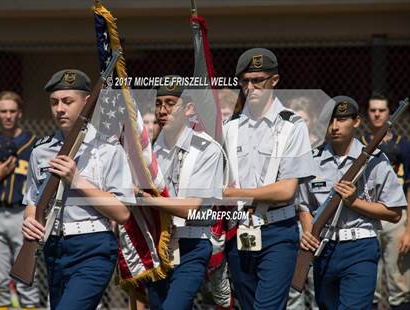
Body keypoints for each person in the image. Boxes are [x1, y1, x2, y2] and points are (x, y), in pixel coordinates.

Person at [21, 69, 135, 309]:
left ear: (86, 103)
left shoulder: (108, 149)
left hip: (92, 247)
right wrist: (30, 220)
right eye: (54, 102)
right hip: (54, 247)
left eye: (67, 101)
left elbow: (122, 212)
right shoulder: (41, 151)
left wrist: (77, 181)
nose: (59, 108)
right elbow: (32, 200)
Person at [222, 48, 315, 309]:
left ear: (274, 80)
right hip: (239, 231)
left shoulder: (292, 126)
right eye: (245, 81)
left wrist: (233, 194)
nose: (251, 87)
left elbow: (287, 190)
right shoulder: (230, 128)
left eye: (258, 80)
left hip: (277, 231)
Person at [299, 96, 406, 309]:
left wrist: (354, 202)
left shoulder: (376, 160)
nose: (334, 126)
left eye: (341, 119)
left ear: (356, 122)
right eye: (330, 121)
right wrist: (308, 231)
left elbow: (394, 212)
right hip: (324, 248)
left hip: (360, 247)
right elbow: (303, 205)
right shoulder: (312, 160)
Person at [140, 78, 224, 309]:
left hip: (192, 243)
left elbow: (191, 208)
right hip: (159, 245)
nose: (162, 110)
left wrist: (147, 201)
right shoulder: (153, 150)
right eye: (158, 103)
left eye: (170, 103)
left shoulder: (206, 148)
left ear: (188, 109)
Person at [0, 91, 40, 310]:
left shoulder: (34, 144)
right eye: (3, 111)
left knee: (26, 277)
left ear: (19, 113)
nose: (8, 116)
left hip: (23, 215)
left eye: (12, 111)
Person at [361, 92, 410, 309]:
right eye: (373, 110)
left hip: (395, 217)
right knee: (368, 281)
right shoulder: (358, 145)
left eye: (381, 110)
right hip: (366, 215)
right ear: (366, 115)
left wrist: (409, 228)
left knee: (398, 280)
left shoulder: (403, 145)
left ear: (389, 113)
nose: (377, 114)